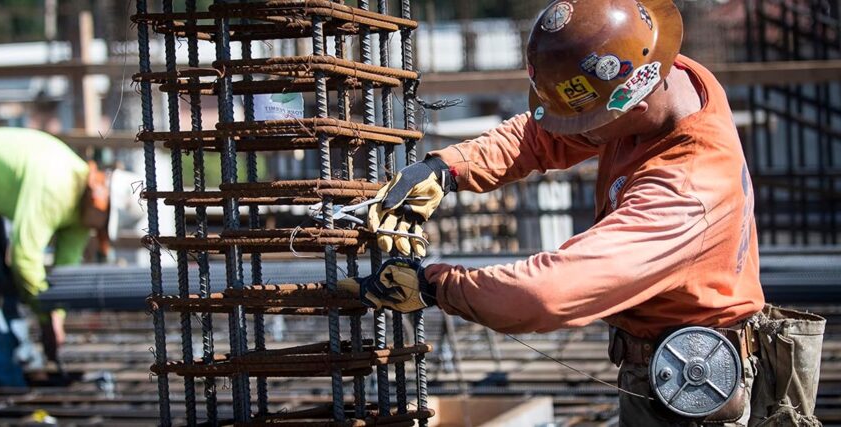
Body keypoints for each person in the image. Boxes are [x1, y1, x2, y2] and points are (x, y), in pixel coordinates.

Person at [342, 0, 824, 425]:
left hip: (696, 389)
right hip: (669, 371)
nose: (580, 135)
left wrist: (433, 285)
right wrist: (446, 169)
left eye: (589, 125)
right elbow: (543, 135)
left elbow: (544, 294)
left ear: (631, 103)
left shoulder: (687, 187)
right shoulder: (671, 78)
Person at [0, 127, 139, 388]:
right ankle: (5, 380)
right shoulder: (58, 186)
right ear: (100, 200)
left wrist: (56, 319)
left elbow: (63, 273)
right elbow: (24, 257)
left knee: (6, 282)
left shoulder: (82, 218)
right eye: (104, 222)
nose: (98, 229)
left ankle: (24, 364)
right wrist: (45, 318)